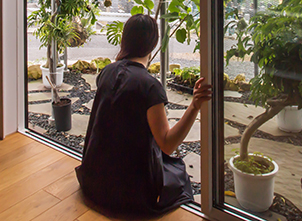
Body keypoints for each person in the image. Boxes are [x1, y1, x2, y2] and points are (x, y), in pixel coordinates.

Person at [76, 14, 212, 217]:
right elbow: (167, 144)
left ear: (124, 40)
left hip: (94, 181)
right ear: (153, 43)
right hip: (127, 194)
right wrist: (194, 106)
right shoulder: (149, 86)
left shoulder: (107, 72)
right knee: (176, 172)